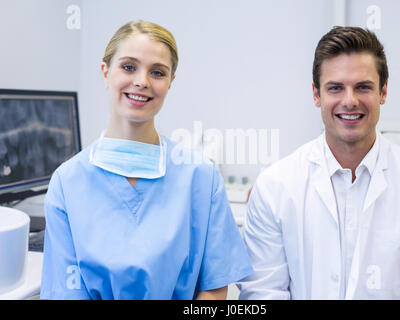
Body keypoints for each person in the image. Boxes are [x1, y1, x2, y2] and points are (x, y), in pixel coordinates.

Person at [40, 20, 253, 300]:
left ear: (170, 82)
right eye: (129, 67)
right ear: (105, 72)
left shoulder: (201, 177)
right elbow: (65, 293)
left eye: (157, 72)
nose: (142, 81)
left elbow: (213, 288)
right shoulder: (67, 183)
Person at [238, 26, 400, 299]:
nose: (350, 101)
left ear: (383, 92)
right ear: (316, 94)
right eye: (336, 88)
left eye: (363, 87)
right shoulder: (274, 188)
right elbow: (262, 294)